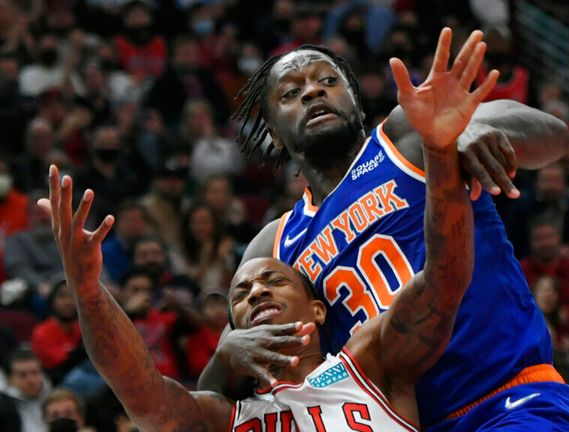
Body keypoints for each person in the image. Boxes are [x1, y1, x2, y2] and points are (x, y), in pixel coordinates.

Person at [41, 36, 484, 428]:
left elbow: (445, 277)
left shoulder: (369, 364)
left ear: (319, 310)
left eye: (273, 280)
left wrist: (443, 152)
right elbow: (141, 394)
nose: (254, 292)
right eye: (240, 293)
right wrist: (87, 291)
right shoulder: (224, 417)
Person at [202, 28, 569, 431]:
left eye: (328, 81)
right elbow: (215, 400)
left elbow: (556, 138)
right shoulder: (274, 248)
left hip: (505, 398)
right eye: (290, 93)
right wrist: (225, 355)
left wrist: (468, 131)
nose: (313, 92)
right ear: (272, 131)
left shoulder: (407, 137)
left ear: (355, 100)